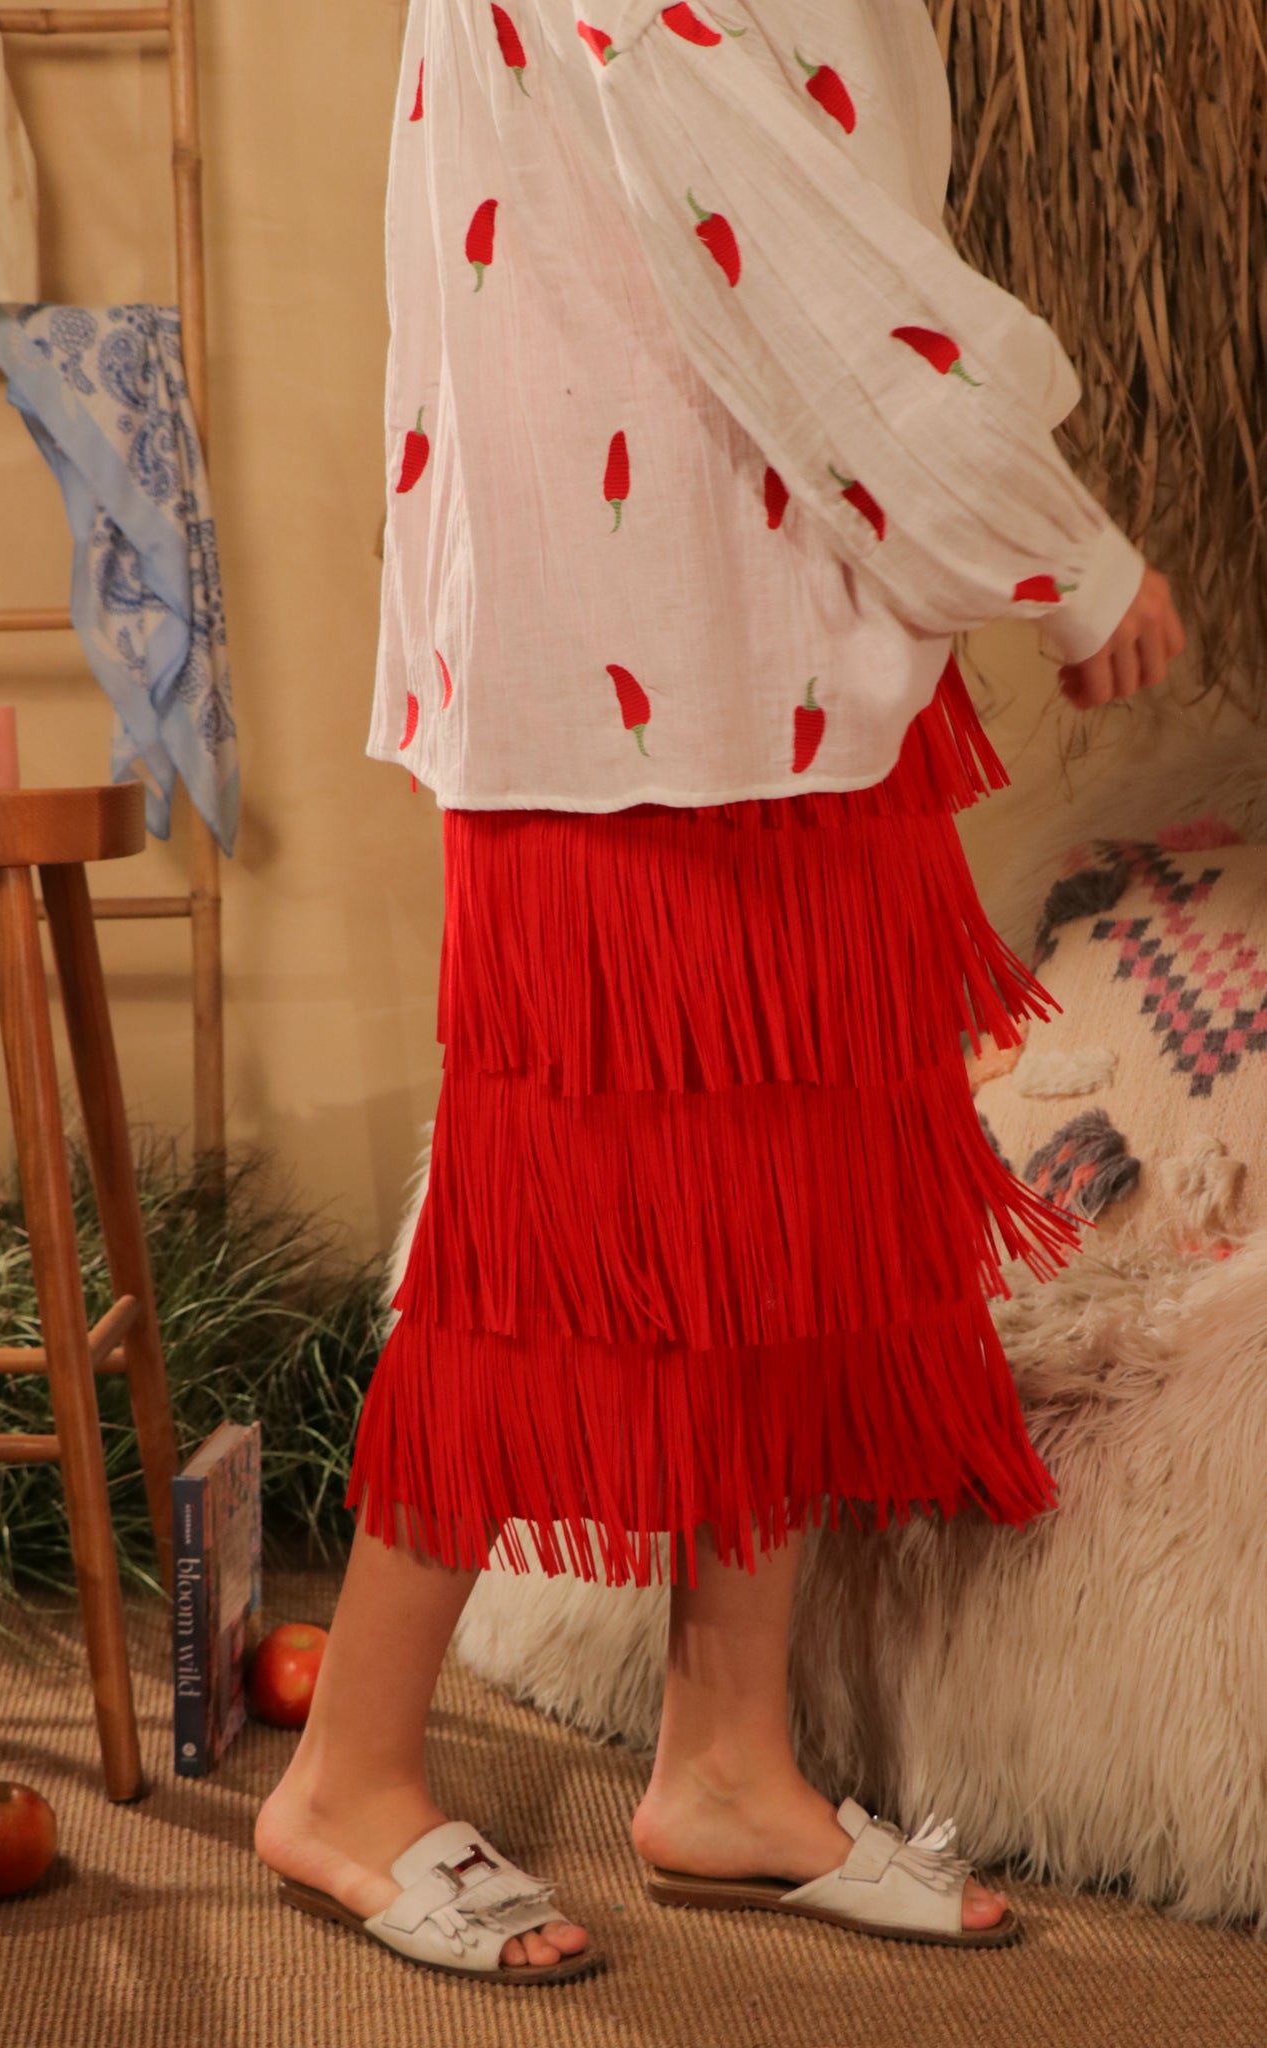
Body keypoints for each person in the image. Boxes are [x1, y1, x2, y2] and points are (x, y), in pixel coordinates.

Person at [256, 0, 1186, 1980]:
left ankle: (731, 1762)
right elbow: (765, 222)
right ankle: (346, 1774)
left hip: (774, 632)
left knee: (796, 1201)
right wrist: (1056, 548)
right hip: (638, 648)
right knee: (544, 1236)